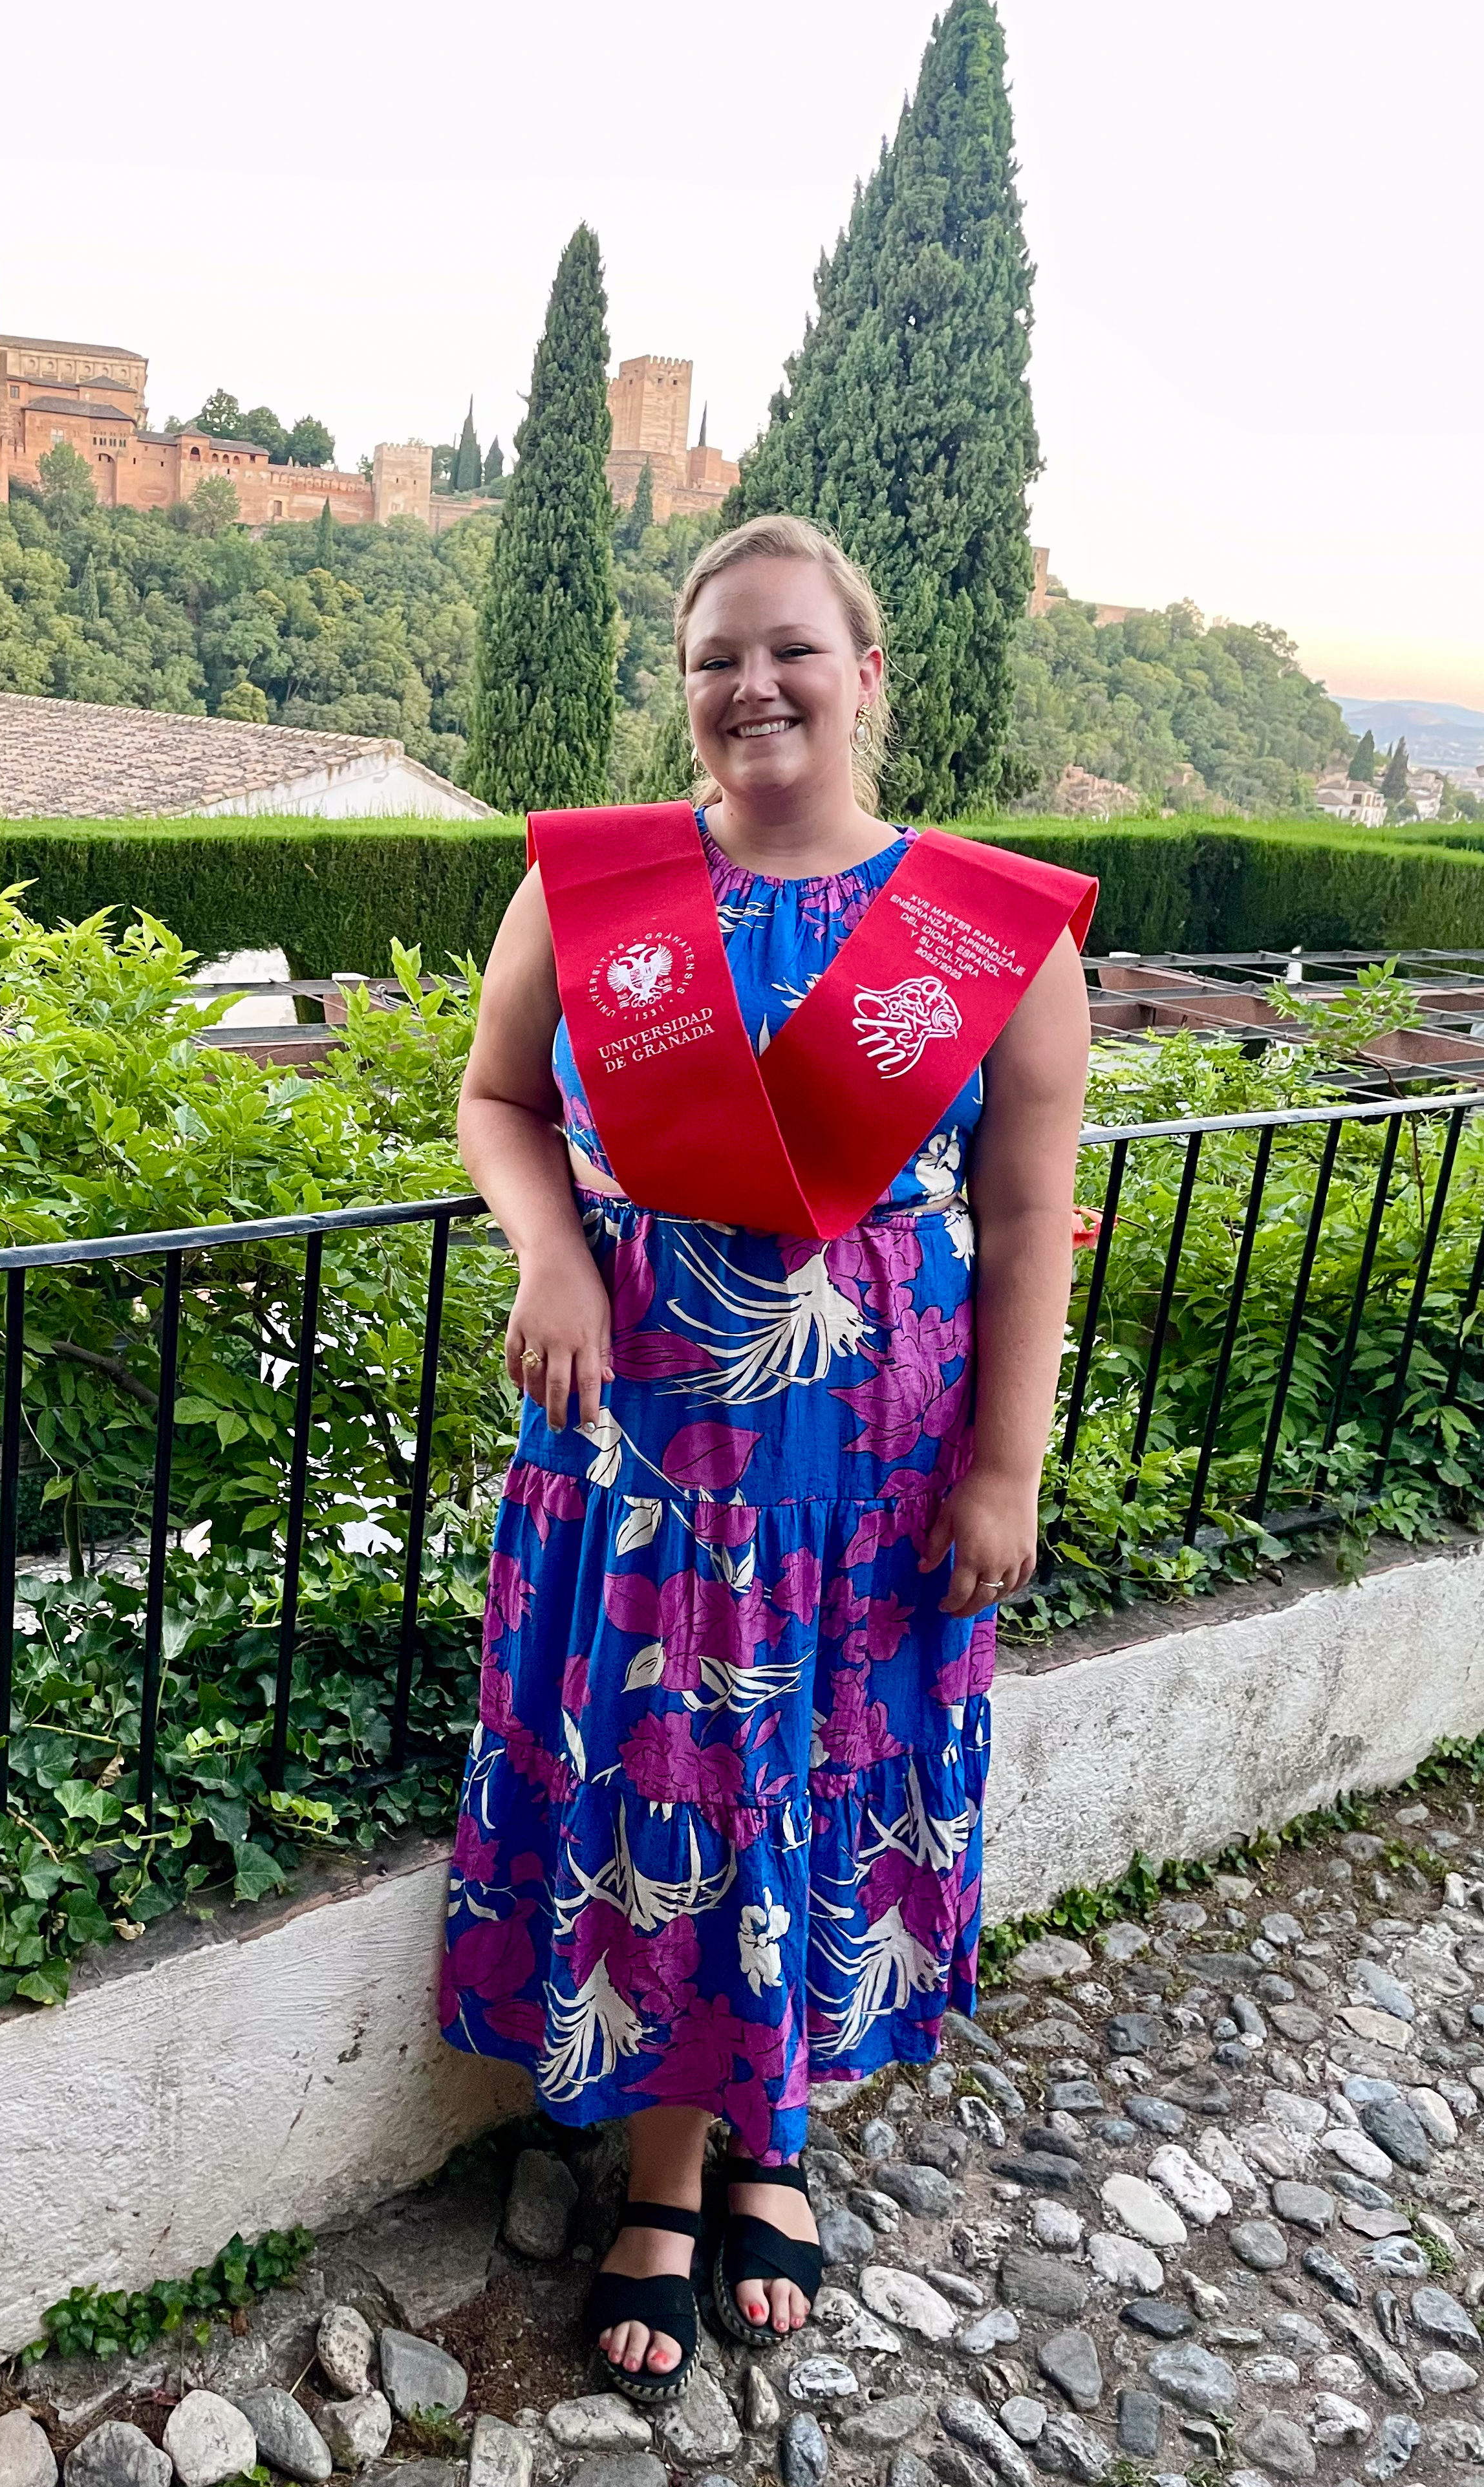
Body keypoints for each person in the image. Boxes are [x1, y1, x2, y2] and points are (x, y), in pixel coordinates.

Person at [441, 514, 1093, 2402]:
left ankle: (778, 2138)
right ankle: (664, 2180)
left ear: (867, 674)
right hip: (641, 1442)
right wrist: (553, 1246)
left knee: (817, 1768)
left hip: (872, 1462)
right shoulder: (594, 890)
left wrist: (1007, 1467)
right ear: (689, 681)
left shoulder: (988, 933)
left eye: (795, 651)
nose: (756, 686)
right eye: (721, 655)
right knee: (679, 1776)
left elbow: (1033, 1214)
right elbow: (498, 1098)